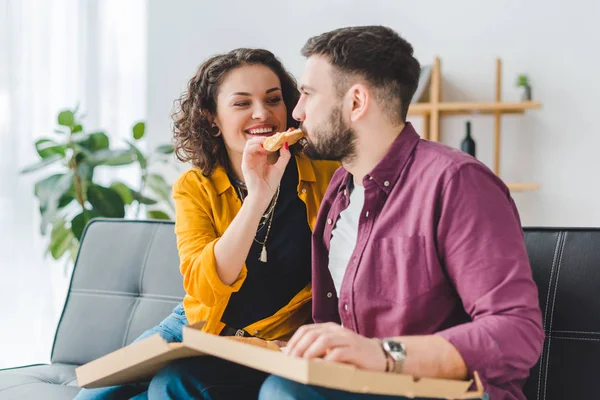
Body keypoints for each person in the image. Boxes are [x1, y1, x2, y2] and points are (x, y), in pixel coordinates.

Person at [257, 26, 545, 400]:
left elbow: (516, 330)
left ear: (356, 102)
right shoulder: (339, 190)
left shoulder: (456, 182)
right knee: (184, 382)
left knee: (284, 392)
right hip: (361, 387)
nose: (296, 112)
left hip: (444, 393)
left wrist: (383, 354)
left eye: (308, 95)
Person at [75, 48, 339, 400]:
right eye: (241, 103)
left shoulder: (328, 177)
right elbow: (203, 284)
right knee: (91, 397)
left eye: (273, 99)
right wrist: (258, 197)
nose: (262, 113)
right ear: (212, 117)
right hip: (194, 326)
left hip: (266, 343)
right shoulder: (195, 187)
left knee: (166, 388)